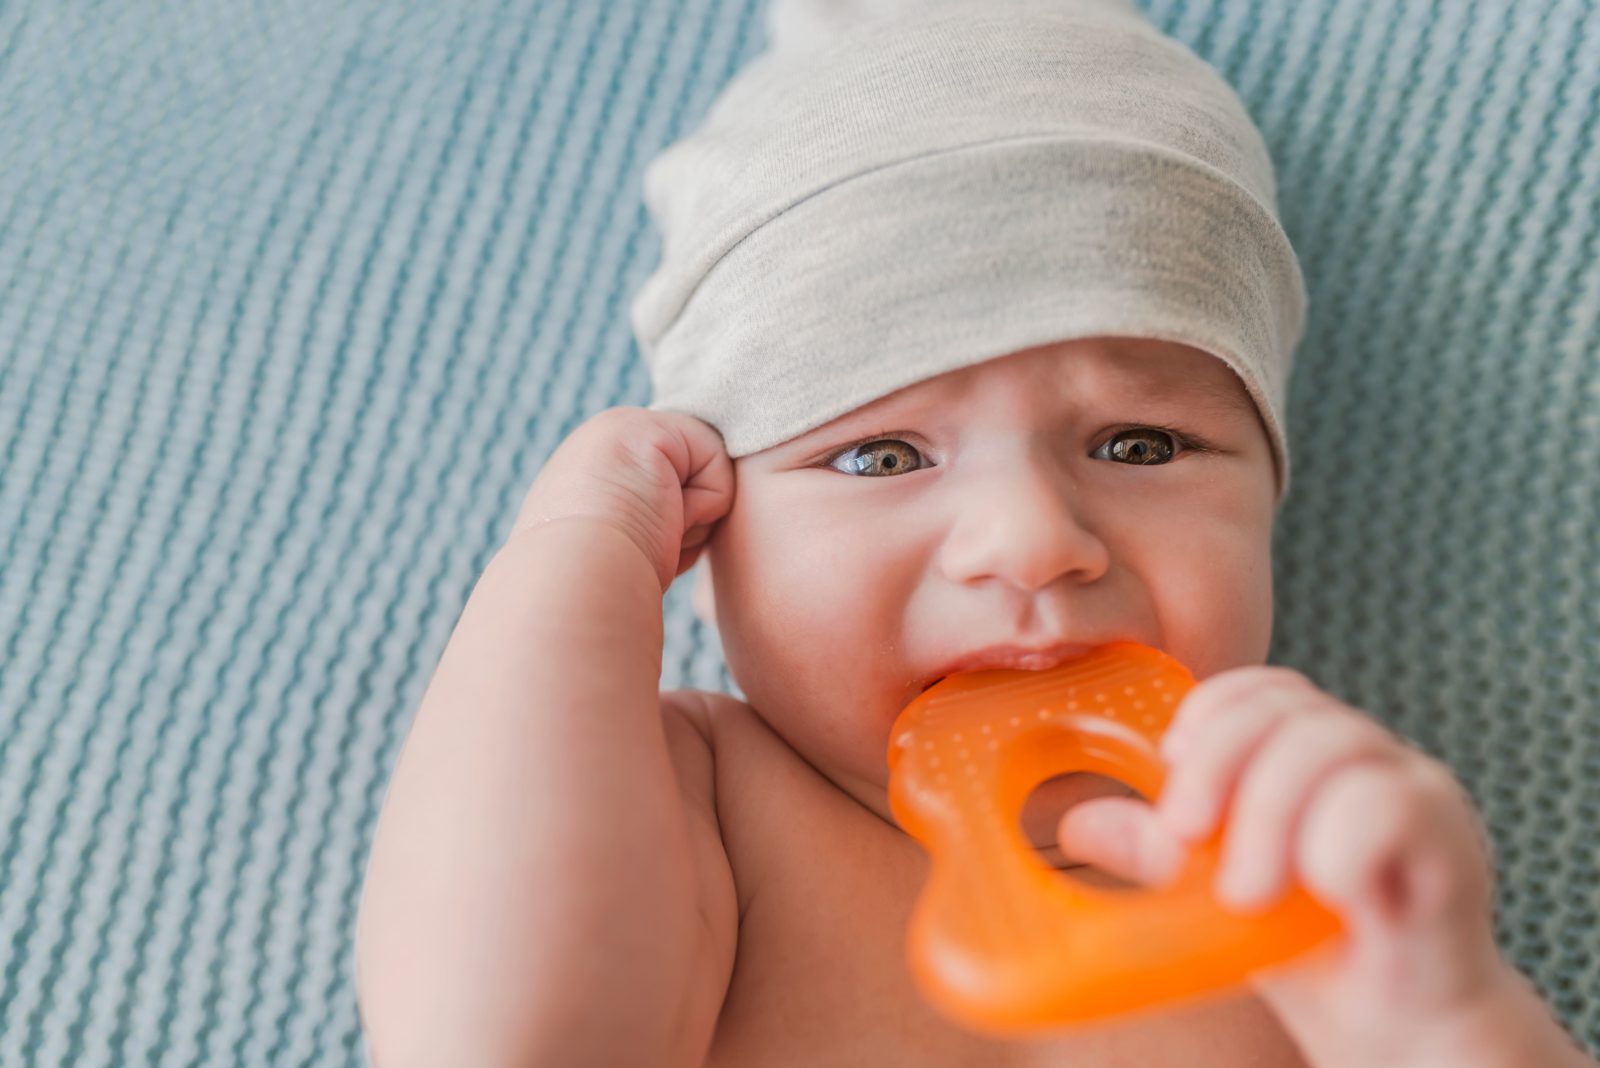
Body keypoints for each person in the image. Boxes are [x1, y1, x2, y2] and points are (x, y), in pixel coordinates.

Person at [352, 1, 1597, 1064]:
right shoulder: (709, 807)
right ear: (707, 532)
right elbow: (497, 1036)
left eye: (1140, 445)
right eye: (879, 455)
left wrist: (1439, 1010)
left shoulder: (1293, 850)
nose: (1031, 540)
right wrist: (575, 555)